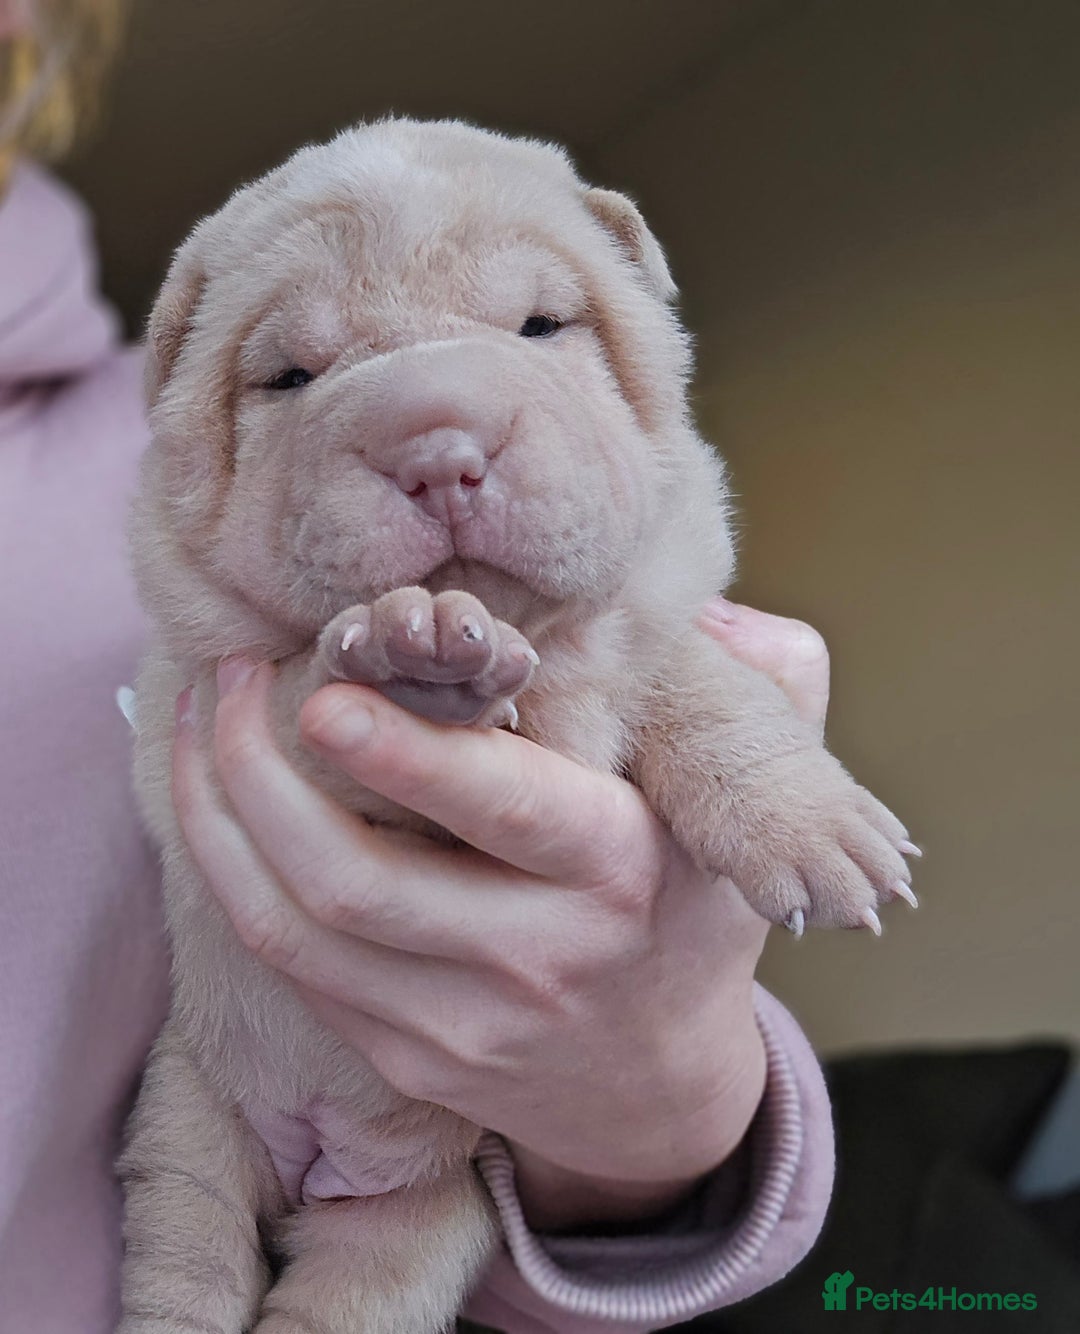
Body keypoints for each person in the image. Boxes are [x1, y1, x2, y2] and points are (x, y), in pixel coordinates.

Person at [0, 3, 835, 1329]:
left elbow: (533, 1202)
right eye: (292, 371)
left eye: (542, 324)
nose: (440, 437)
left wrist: (652, 1115)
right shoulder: (192, 495)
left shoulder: (140, 444)